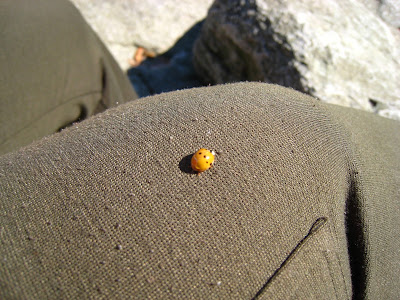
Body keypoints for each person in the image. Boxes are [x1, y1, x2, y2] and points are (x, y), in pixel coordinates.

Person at [1, 0, 399, 299]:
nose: (206, 160)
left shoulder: (202, 157)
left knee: (44, 15)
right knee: (296, 134)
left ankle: (110, 122)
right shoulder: (204, 157)